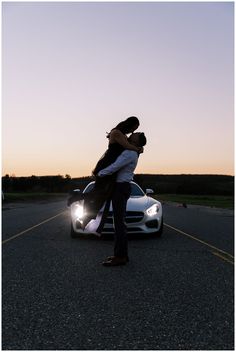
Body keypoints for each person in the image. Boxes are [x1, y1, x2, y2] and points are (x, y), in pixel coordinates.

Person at [79, 116, 143, 231]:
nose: (133, 132)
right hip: (107, 164)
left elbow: (131, 147)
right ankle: (83, 211)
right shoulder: (117, 133)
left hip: (112, 167)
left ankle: (91, 221)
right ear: (129, 124)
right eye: (134, 128)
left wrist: (139, 147)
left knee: (102, 193)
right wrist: (138, 148)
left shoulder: (124, 136)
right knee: (98, 192)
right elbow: (128, 146)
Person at [96, 132, 147, 266]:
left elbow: (115, 167)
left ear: (137, 141)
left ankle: (120, 256)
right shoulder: (131, 150)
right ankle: (120, 254)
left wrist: (99, 174)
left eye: (134, 135)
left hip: (120, 188)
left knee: (119, 223)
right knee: (118, 222)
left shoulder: (130, 153)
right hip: (122, 187)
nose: (131, 134)